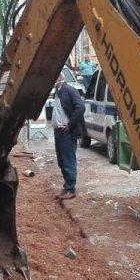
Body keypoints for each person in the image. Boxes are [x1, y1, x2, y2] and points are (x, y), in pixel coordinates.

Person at [51, 70, 86, 200]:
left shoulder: (69, 90)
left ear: (59, 78)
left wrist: (70, 124)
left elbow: (81, 107)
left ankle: (70, 189)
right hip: (58, 132)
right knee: (61, 161)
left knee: (68, 160)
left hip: (66, 132)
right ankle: (67, 187)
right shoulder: (58, 91)